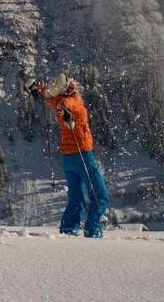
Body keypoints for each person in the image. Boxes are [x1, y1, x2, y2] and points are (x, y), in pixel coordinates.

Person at [28, 72, 110, 238]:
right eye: (70, 83)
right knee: (100, 196)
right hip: (83, 156)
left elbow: (51, 97)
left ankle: (68, 229)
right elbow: (65, 108)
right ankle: (93, 230)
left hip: (68, 158)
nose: (73, 84)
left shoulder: (57, 99)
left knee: (76, 197)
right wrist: (66, 115)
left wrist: (37, 90)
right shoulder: (67, 101)